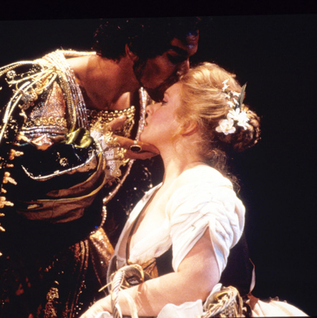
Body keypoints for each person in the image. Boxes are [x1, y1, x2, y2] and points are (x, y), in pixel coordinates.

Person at [0, 17, 200, 318]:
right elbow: (18, 185)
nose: (184, 71)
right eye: (174, 57)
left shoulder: (153, 106)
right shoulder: (35, 90)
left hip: (90, 279)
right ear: (134, 46)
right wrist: (96, 155)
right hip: (13, 274)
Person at [80, 62, 308, 317]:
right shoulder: (156, 193)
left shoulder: (203, 186)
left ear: (188, 124)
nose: (150, 108)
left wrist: (107, 306)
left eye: (164, 102)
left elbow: (196, 282)